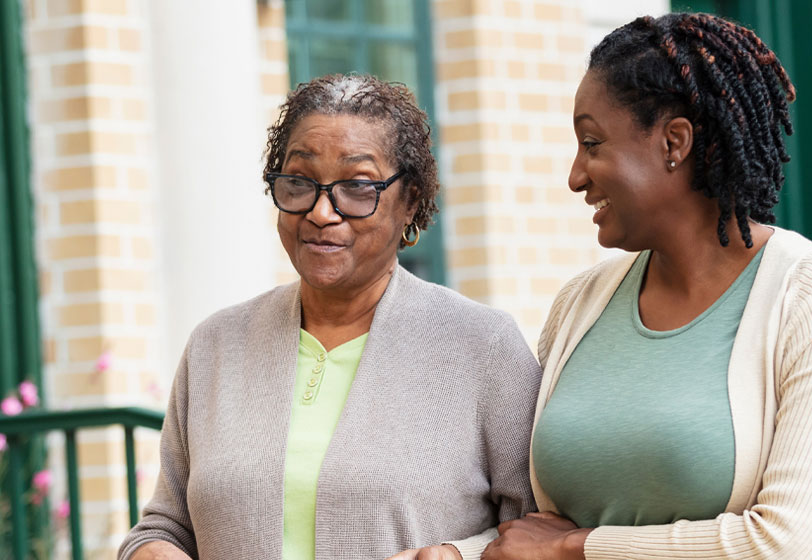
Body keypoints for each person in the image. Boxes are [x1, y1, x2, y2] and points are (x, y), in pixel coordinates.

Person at [484, 13, 812, 559]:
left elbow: (788, 545)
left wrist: (577, 550)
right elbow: (530, 529)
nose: (576, 175)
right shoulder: (580, 305)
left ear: (675, 142)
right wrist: (456, 551)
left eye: (592, 143)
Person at [119, 73, 539, 560]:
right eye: (299, 182)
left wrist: (456, 555)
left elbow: (537, 533)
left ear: (411, 203)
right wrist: (149, 550)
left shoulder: (482, 346)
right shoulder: (217, 345)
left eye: (357, 187)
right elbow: (166, 524)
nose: (321, 211)